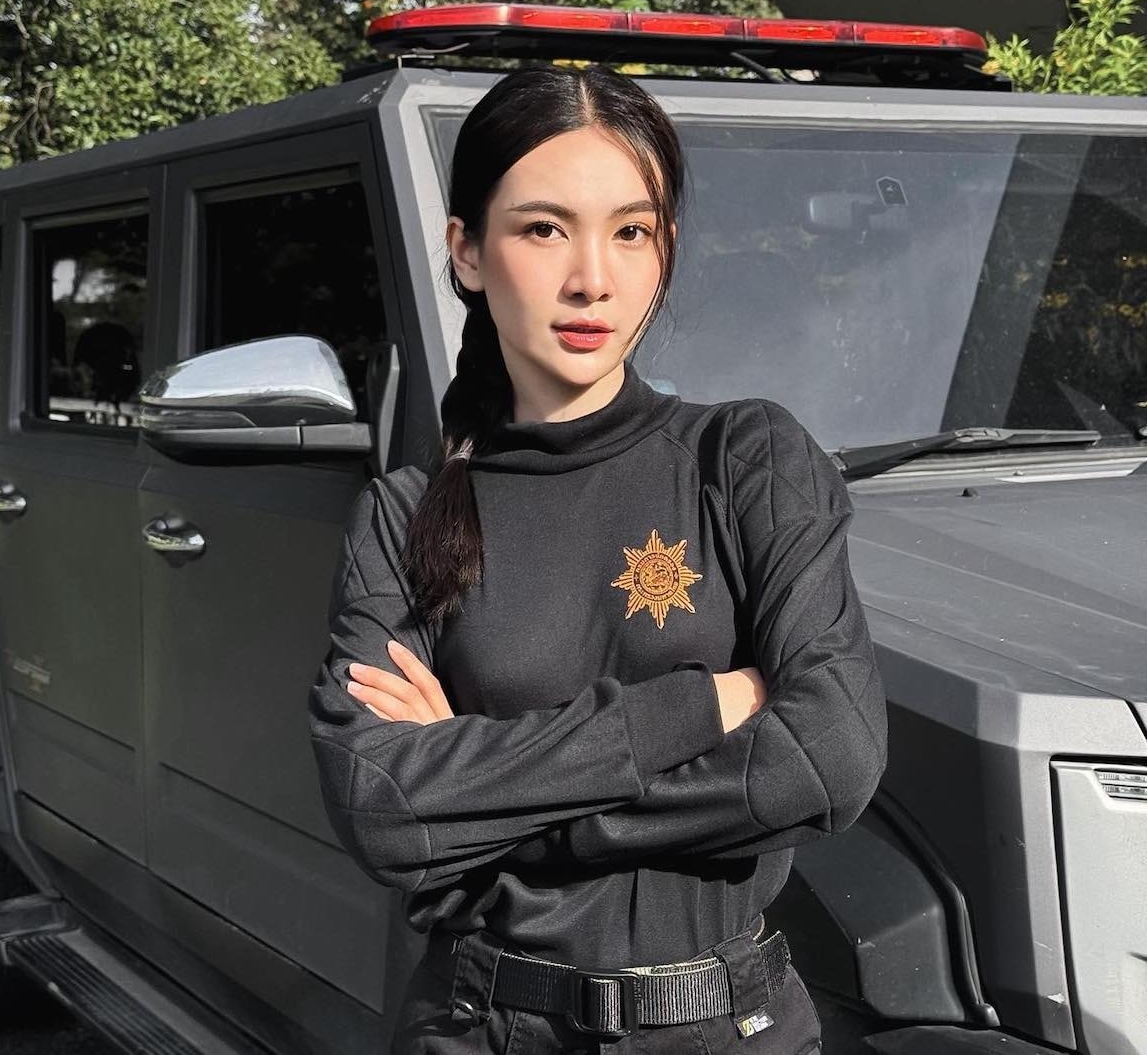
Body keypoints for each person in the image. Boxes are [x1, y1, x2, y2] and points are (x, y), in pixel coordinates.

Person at [307, 63, 888, 1054]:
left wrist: (493, 809)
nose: (593, 278)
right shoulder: (402, 516)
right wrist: (701, 705)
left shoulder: (748, 460)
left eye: (631, 231)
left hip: (729, 1030)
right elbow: (384, 804)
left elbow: (829, 756)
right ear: (467, 251)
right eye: (544, 229)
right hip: (481, 1027)